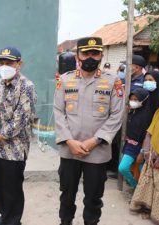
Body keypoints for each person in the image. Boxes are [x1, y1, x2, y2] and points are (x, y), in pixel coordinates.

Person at [54, 37, 124, 225]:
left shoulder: (112, 82)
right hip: (70, 151)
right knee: (67, 195)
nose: (90, 57)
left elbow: (116, 115)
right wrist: (69, 141)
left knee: (93, 198)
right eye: (86, 53)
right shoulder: (65, 80)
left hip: (97, 152)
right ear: (78, 55)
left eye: (95, 53)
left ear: (101, 55)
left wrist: (95, 140)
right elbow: (58, 112)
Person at [0, 46, 37, 225]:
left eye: (9, 62)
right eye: (1, 62)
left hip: (15, 151)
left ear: (19, 64)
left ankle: (13, 221)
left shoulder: (27, 87)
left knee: (12, 190)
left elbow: (19, 122)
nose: (4, 66)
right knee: (0, 187)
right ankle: (5, 216)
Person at [130, 92, 159, 224]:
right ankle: (146, 209)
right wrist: (146, 152)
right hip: (151, 155)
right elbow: (149, 134)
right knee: (148, 184)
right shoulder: (158, 113)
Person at [118, 88, 151, 188]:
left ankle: (142, 193)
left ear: (143, 100)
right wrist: (127, 113)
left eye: (136, 100)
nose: (133, 102)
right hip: (130, 146)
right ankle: (136, 187)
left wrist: (142, 151)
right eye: (131, 99)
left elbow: (147, 136)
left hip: (141, 147)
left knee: (142, 172)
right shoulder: (132, 112)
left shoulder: (148, 116)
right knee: (123, 168)